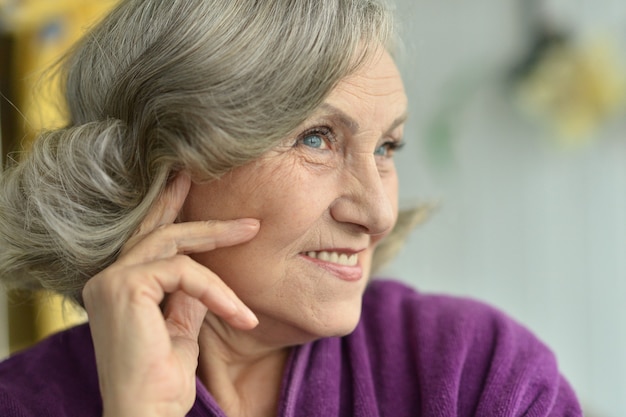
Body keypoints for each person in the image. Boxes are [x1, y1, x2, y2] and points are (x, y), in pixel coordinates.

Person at [0, 1, 582, 416]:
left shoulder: (476, 372)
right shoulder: (21, 402)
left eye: (386, 147)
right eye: (316, 138)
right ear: (153, 163)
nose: (377, 213)